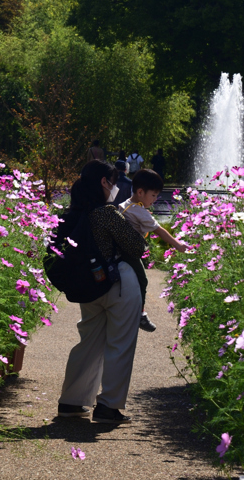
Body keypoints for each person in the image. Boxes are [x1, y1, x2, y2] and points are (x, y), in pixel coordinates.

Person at [57, 160, 146, 423]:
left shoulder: (72, 213)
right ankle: (108, 406)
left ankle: (72, 402)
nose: (116, 186)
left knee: (89, 342)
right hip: (118, 283)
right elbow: (136, 247)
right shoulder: (107, 213)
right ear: (103, 183)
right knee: (120, 344)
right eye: (113, 180)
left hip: (89, 285)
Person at [118, 169, 192, 333]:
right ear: (140, 192)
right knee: (142, 280)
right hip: (129, 254)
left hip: (117, 251)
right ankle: (140, 314)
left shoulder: (125, 205)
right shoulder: (140, 211)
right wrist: (177, 244)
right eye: (153, 195)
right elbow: (159, 230)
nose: (155, 199)